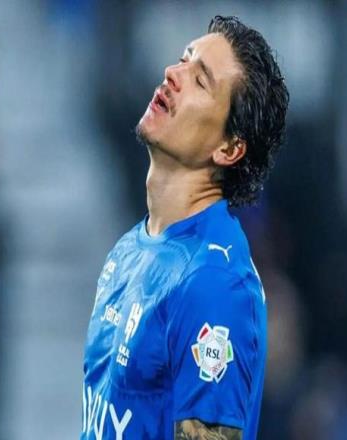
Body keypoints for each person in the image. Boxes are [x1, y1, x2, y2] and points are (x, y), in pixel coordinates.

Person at [81, 15, 289, 440]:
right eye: (183, 59)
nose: (172, 74)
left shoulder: (214, 282)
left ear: (229, 148)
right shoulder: (130, 249)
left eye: (200, 80)